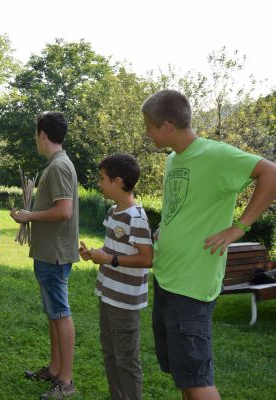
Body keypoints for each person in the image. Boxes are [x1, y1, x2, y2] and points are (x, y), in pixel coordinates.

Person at [142, 89, 276, 400]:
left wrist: (238, 228)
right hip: (168, 278)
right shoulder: (174, 159)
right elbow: (182, 204)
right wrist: (166, 226)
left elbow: (270, 172)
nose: (146, 133)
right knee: (184, 377)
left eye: (149, 126)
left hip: (192, 284)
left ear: (167, 126)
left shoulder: (215, 154)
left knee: (197, 381)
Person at [10, 111, 79, 400]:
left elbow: (64, 211)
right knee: (53, 314)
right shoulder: (56, 164)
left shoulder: (59, 166)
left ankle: (65, 382)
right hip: (48, 253)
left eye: (35, 134)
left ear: (42, 135)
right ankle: (53, 370)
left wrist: (29, 215)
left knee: (60, 314)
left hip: (55, 254)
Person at [79, 153, 153, 400]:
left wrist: (109, 259)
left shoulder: (136, 218)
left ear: (118, 181)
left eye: (102, 179)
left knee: (126, 360)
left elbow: (147, 258)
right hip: (108, 292)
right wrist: (94, 254)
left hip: (125, 300)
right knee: (110, 353)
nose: (99, 184)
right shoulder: (113, 212)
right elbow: (112, 249)